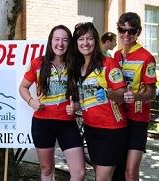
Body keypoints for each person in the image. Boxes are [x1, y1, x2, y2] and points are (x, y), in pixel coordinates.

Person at [19, 25, 85, 181]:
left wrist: (76, 106)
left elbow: (84, 94)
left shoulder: (75, 65)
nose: (60, 44)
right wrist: (31, 101)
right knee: (47, 170)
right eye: (56, 39)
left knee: (79, 172)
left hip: (67, 122)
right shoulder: (38, 63)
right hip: (42, 122)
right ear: (50, 41)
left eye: (65, 40)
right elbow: (23, 87)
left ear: (70, 43)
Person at [66, 22, 127, 180]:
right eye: (81, 39)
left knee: (102, 178)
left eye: (89, 38)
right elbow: (84, 100)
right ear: (76, 43)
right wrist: (75, 107)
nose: (85, 43)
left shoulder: (108, 63)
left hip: (112, 130)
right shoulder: (77, 68)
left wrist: (109, 93)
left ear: (96, 41)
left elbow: (122, 94)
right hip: (91, 129)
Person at [113, 12, 157, 181]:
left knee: (131, 171)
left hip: (137, 120)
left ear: (138, 32)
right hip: (118, 119)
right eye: (122, 30)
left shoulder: (147, 57)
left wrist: (137, 96)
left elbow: (152, 93)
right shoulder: (116, 56)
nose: (126, 34)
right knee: (118, 167)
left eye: (131, 31)